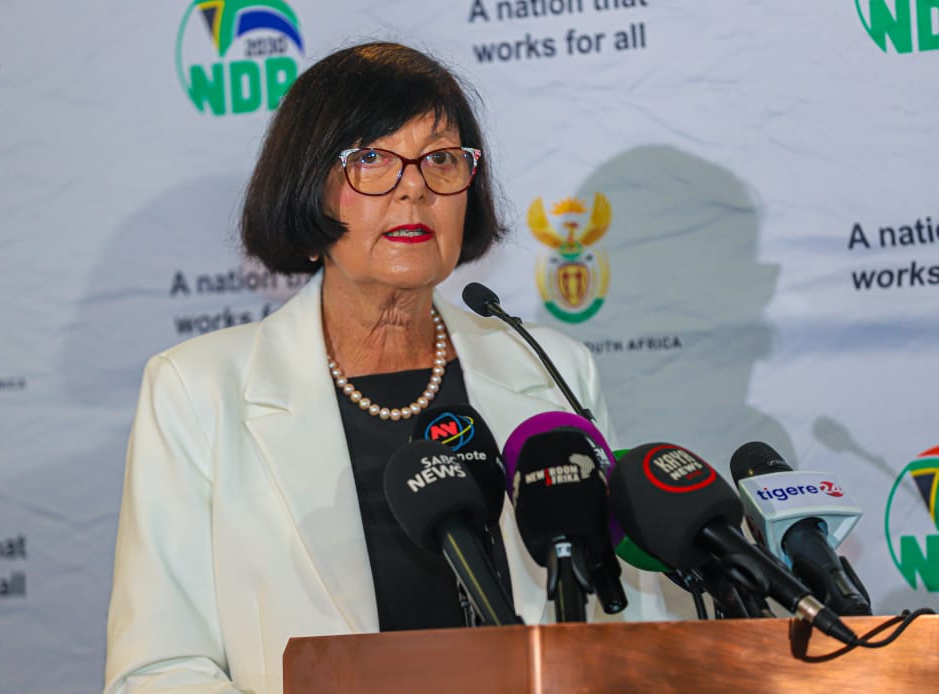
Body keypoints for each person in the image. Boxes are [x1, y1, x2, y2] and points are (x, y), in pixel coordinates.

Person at [104, 42, 667, 694]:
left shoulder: (551, 371)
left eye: (441, 158)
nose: (415, 187)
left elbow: (620, 617)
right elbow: (159, 670)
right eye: (371, 158)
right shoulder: (197, 391)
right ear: (307, 185)